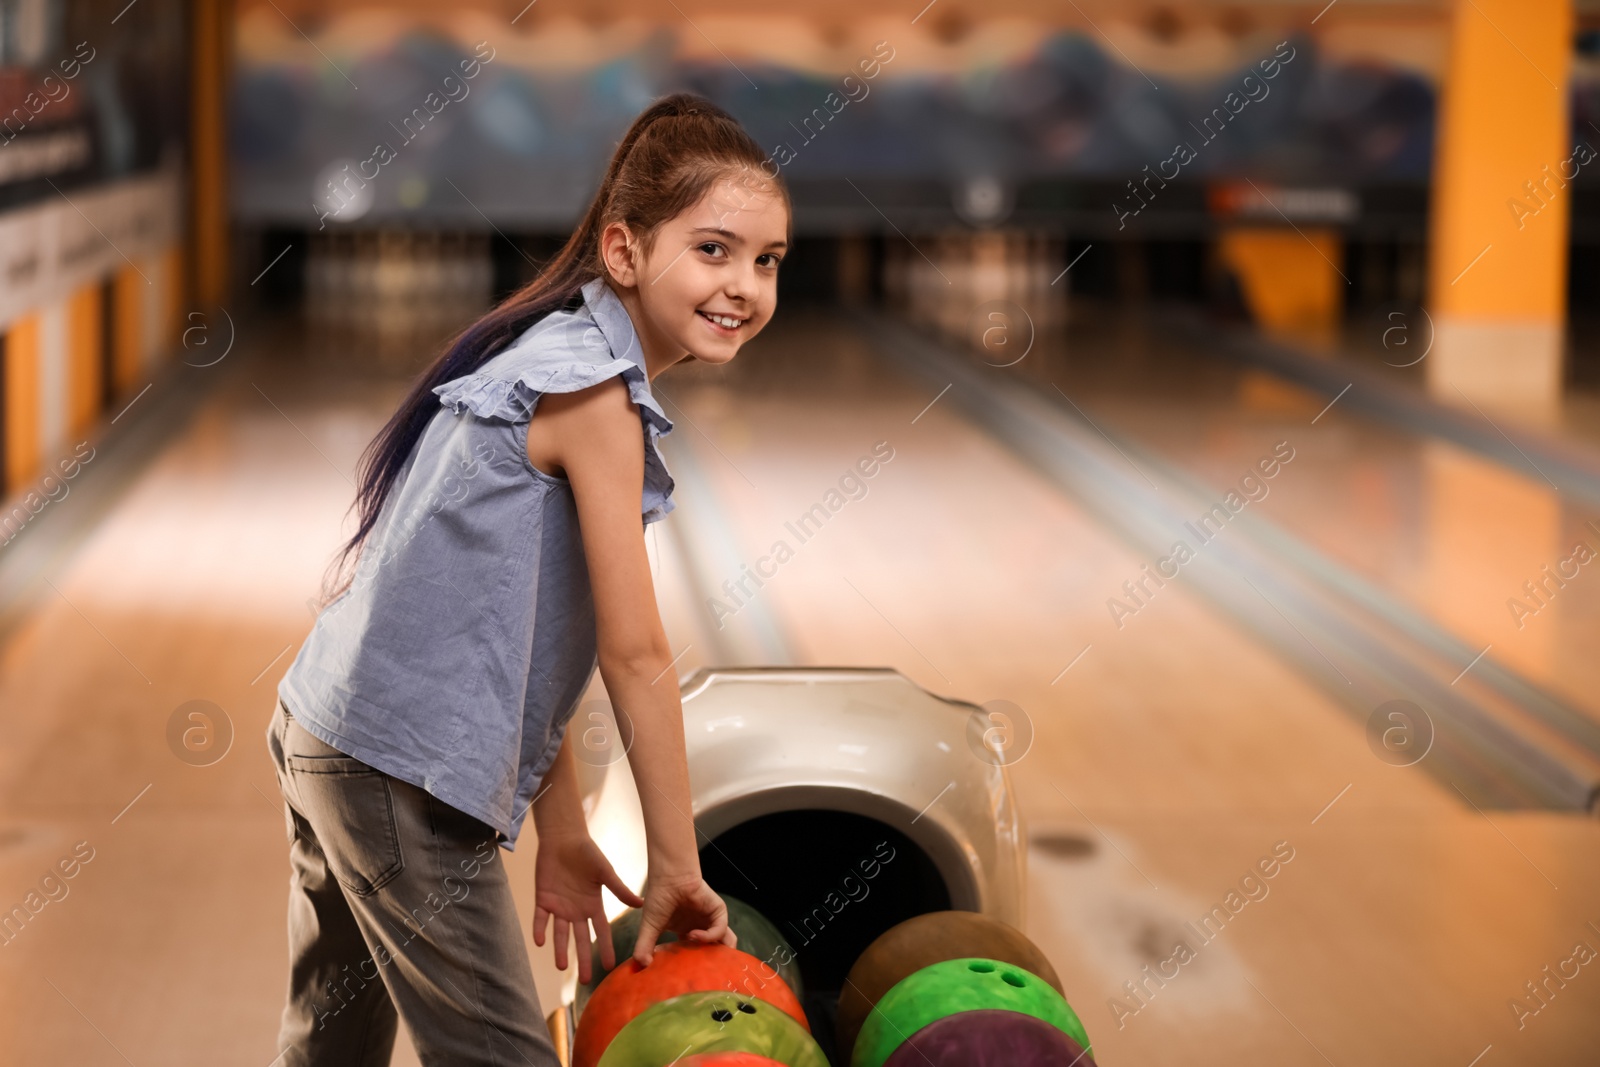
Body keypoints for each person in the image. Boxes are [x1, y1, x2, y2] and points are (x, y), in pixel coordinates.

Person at [263, 92, 792, 1066]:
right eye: (713, 249)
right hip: (391, 766)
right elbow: (633, 651)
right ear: (626, 253)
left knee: (329, 1048)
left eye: (767, 261)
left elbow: (516, 626)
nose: (745, 285)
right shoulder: (593, 393)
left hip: (328, 727)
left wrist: (560, 826)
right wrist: (677, 864)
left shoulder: (554, 348)